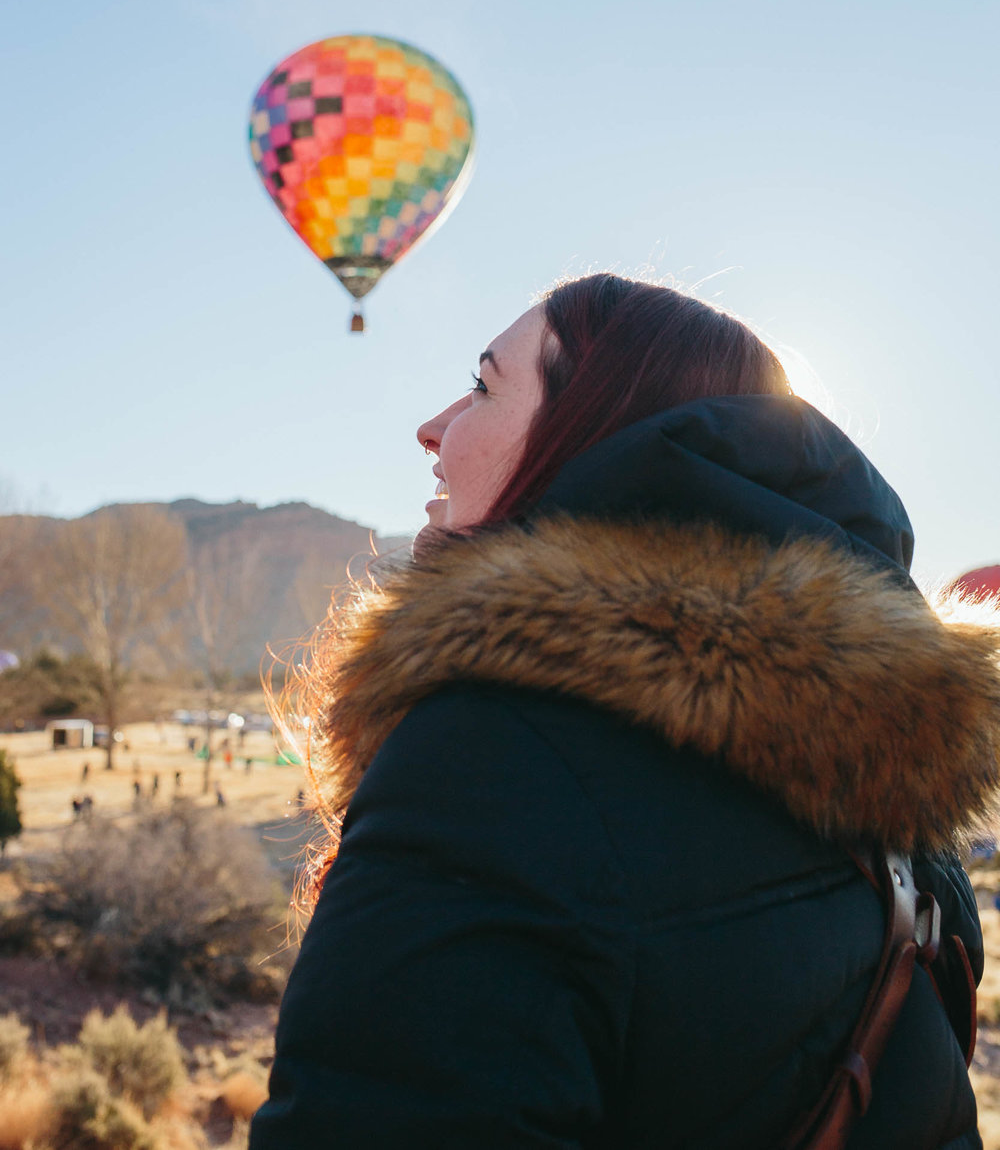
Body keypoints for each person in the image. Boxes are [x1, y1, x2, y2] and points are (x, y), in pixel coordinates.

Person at [250, 275, 996, 1149]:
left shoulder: (497, 764)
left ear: (595, 441)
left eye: (486, 386)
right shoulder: (896, 817)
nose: (434, 426)